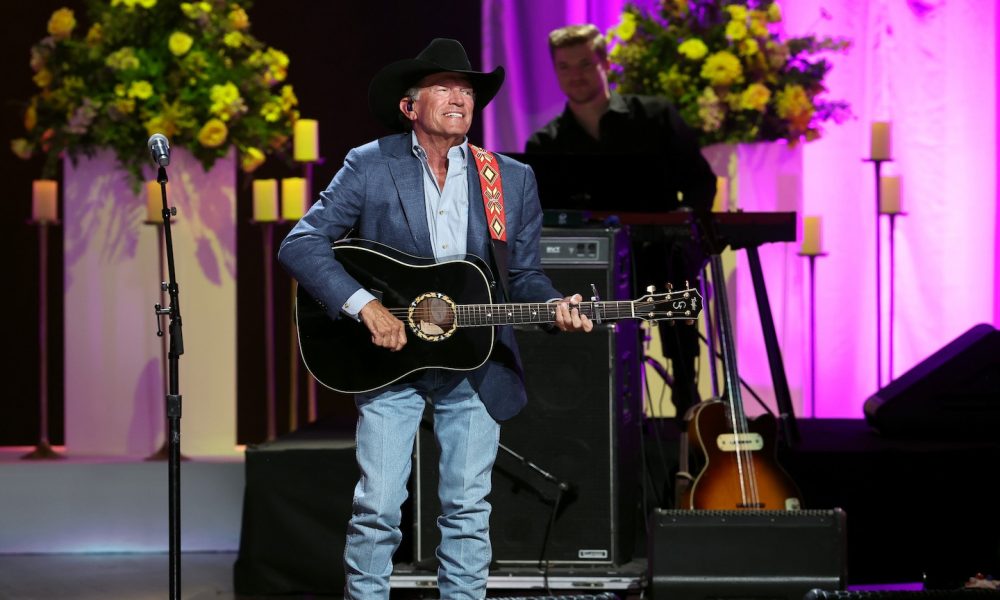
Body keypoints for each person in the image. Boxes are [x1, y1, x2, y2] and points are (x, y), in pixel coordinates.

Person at [277, 38, 594, 600]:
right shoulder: (371, 165)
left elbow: (522, 278)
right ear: (410, 106)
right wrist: (365, 306)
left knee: (468, 507)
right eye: (445, 86)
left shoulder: (511, 180)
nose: (459, 97)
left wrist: (553, 308)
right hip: (388, 359)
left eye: (467, 89)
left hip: (473, 359)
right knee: (377, 506)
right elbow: (302, 244)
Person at [525, 23, 716, 422]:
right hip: (585, 265)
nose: (574, 75)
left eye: (584, 64)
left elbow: (701, 182)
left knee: (673, 273)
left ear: (605, 63)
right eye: (564, 67)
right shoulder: (545, 144)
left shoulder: (656, 116)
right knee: (550, 285)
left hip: (658, 254)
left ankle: (688, 404)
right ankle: (578, 408)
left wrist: (687, 232)